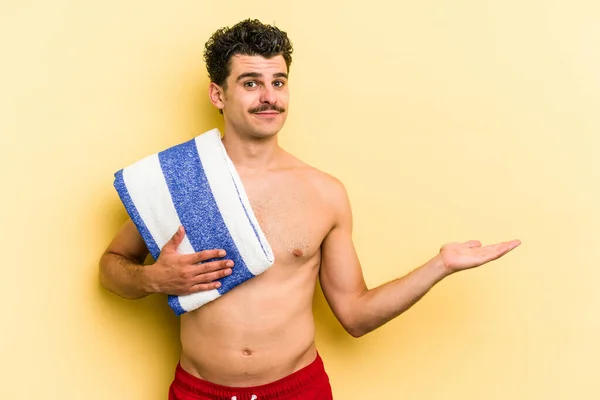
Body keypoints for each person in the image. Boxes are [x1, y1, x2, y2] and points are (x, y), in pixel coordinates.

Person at [99, 18, 521, 400]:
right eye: (250, 83)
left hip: (298, 391)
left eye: (278, 83)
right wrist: (153, 279)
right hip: (198, 391)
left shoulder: (324, 193)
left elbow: (355, 314)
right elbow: (111, 267)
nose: (269, 98)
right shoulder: (179, 178)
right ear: (218, 94)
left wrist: (440, 265)